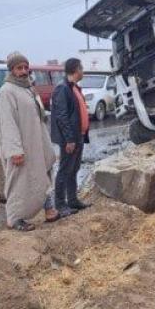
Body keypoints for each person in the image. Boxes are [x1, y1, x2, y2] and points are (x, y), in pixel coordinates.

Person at [0, 51, 63, 231]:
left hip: (38, 143)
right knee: (19, 182)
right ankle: (14, 218)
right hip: (22, 147)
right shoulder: (7, 91)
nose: (24, 71)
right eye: (19, 68)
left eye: (26, 67)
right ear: (11, 70)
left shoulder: (28, 88)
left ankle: (49, 210)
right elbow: (7, 123)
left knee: (45, 174)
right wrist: (15, 150)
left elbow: (38, 116)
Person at [50, 58, 91, 211]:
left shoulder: (74, 87)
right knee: (64, 170)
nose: (83, 71)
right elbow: (62, 116)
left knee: (74, 169)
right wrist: (69, 139)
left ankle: (72, 200)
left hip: (78, 136)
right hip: (70, 139)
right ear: (75, 69)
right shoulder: (63, 89)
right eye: (81, 68)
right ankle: (60, 205)